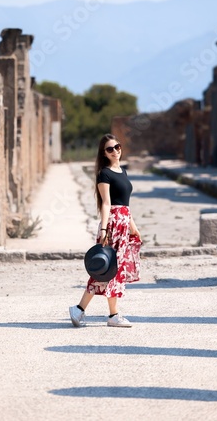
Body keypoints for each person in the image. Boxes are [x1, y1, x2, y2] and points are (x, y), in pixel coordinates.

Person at [69, 133, 142, 328]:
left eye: (117, 147)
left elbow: (126, 204)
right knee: (108, 268)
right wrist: (103, 228)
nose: (115, 151)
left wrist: (133, 227)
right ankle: (112, 315)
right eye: (110, 149)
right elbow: (107, 203)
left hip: (124, 221)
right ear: (104, 153)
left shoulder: (123, 172)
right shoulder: (104, 174)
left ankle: (81, 310)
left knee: (110, 269)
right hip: (113, 224)